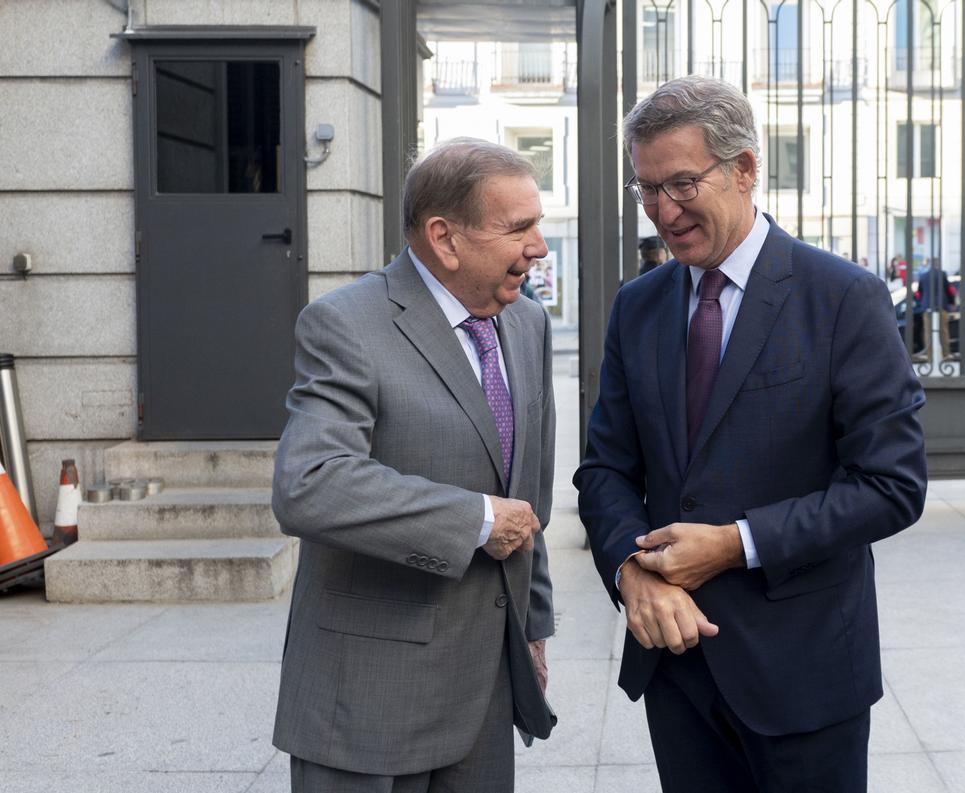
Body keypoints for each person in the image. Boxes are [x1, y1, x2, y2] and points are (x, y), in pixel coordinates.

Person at [574, 75, 927, 793]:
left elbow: (892, 486)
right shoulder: (637, 306)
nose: (662, 212)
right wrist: (629, 570)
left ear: (744, 169)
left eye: (679, 184)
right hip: (676, 670)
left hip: (804, 677)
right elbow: (604, 470)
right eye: (646, 189)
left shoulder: (843, 298)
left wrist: (735, 542)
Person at [272, 138, 557, 793]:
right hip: (368, 703)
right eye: (519, 228)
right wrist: (476, 519)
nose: (538, 247)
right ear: (444, 237)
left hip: (485, 694)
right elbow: (310, 484)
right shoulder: (345, 325)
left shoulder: (527, 324)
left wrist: (534, 627)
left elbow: (529, 490)